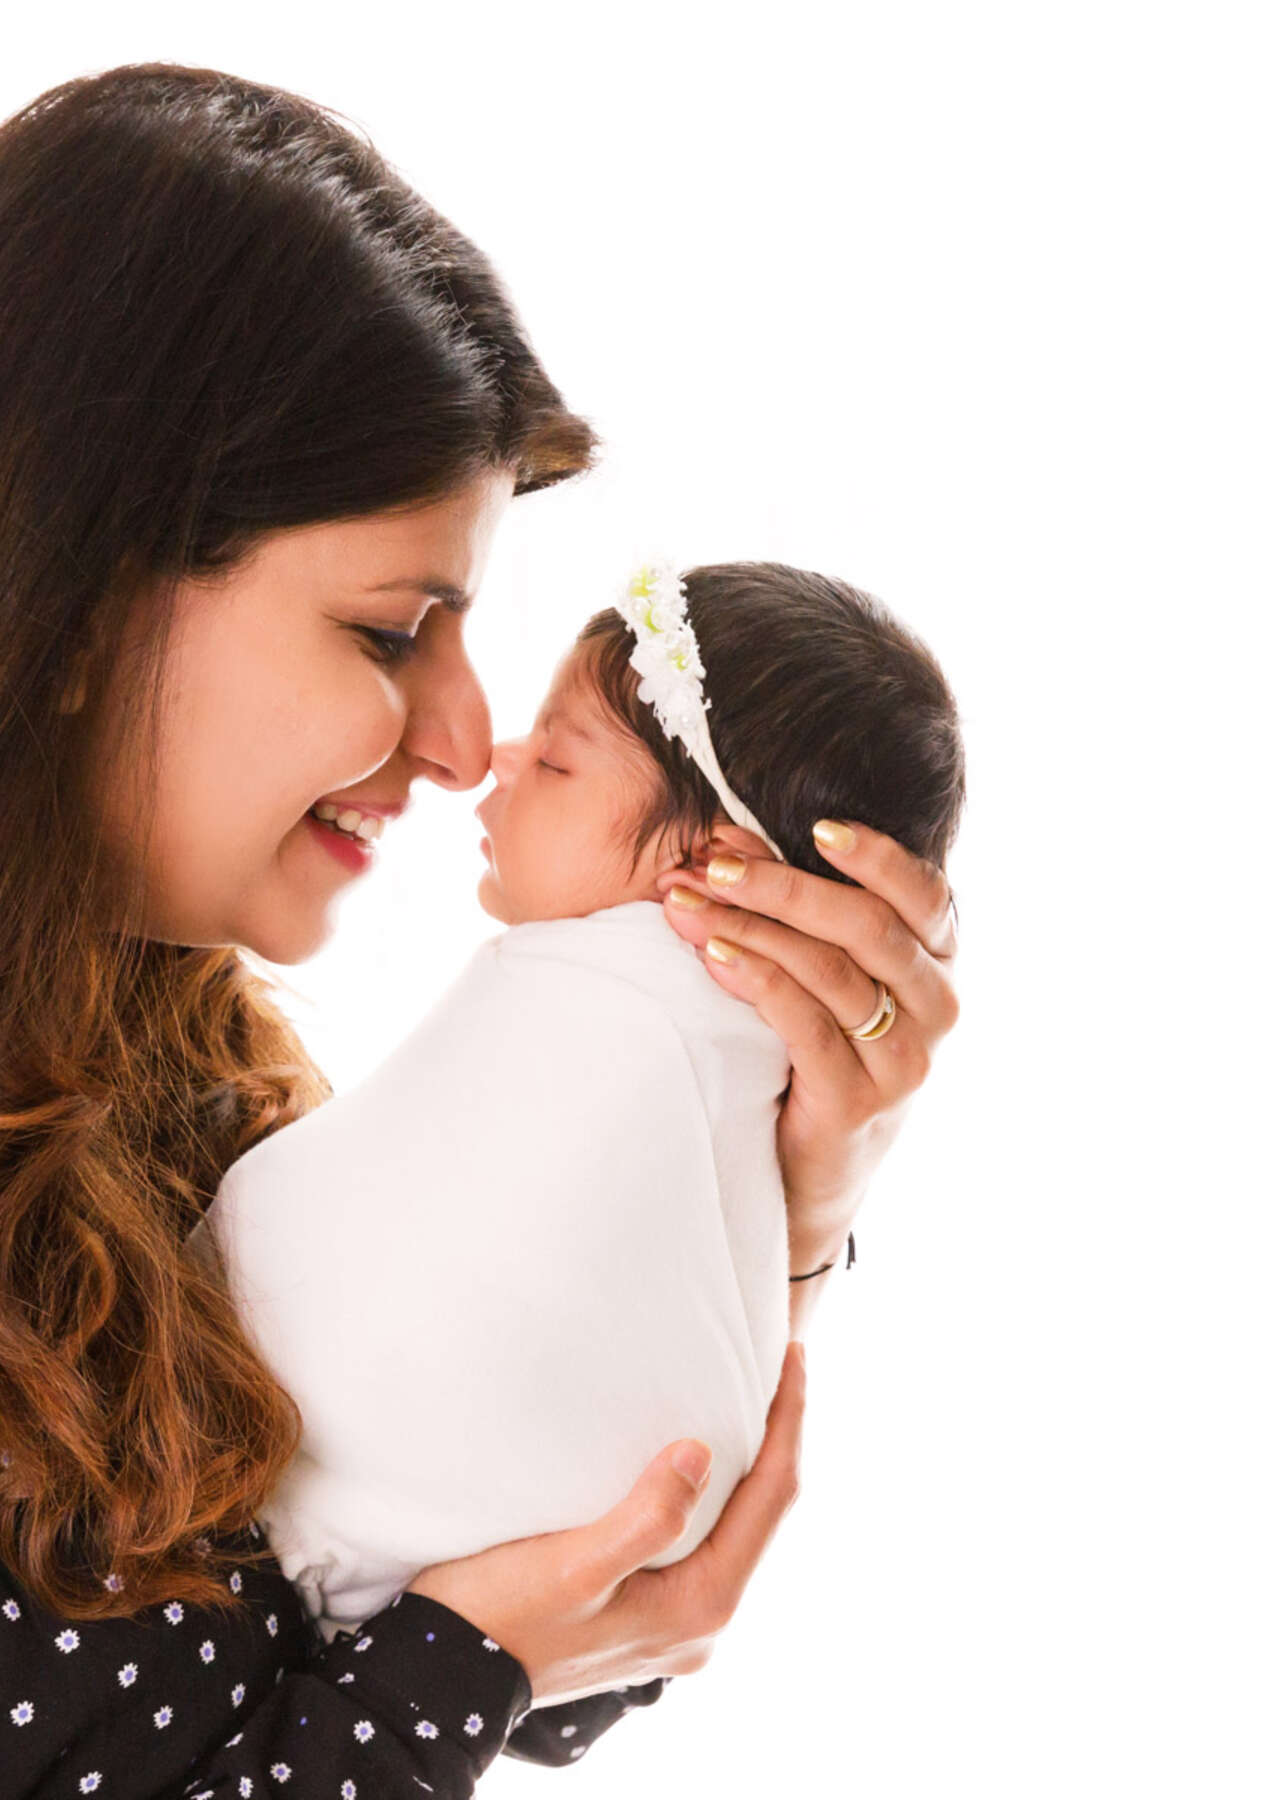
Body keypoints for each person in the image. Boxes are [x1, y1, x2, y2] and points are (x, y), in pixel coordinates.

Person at [0, 63, 958, 1798]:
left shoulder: (155, 1040)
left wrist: (780, 1192)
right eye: (387, 631)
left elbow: (530, 1600)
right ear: (74, 600)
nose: (460, 740)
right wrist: (455, 1679)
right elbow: (461, 1657)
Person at [197, 559, 965, 1655]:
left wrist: (809, 1213)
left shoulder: (629, 1010)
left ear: (712, 870)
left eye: (556, 758)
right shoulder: (606, 1024)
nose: (488, 760)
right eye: (379, 632)